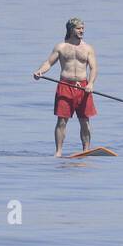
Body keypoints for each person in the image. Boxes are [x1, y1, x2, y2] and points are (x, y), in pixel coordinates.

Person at [32, 17, 97, 157]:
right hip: (65, 85)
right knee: (61, 121)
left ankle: (86, 151)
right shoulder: (61, 47)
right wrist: (40, 71)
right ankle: (58, 152)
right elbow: (48, 63)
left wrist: (91, 83)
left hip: (83, 87)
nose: (82, 31)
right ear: (71, 29)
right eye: (79, 28)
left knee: (85, 121)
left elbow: (93, 68)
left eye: (83, 28)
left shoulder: (88, 48)